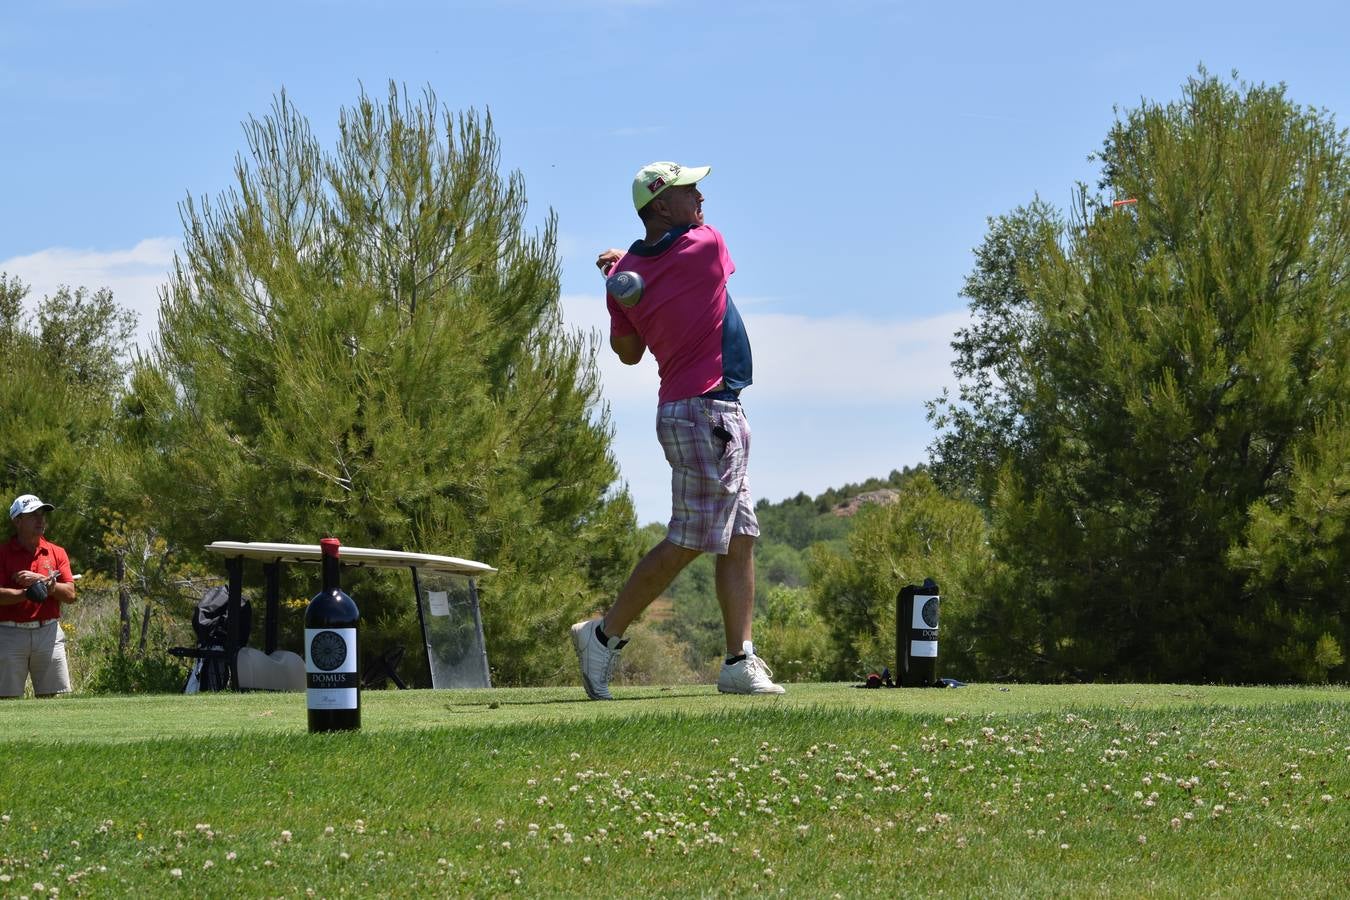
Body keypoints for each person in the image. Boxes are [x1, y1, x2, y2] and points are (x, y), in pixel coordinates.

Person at [571, 161, 784, 699]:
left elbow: (627, 352)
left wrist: (627, 281)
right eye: (690, 190)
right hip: (706, 413)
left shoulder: (624, 281)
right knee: (691, 538)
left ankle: (739, 660)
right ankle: (602, 635)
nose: (701, 197)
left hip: (705, 409)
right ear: (662, 206)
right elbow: (678, 258)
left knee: (739, 538)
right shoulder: (705, 246)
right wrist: (633, 270)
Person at [1, 494, 77, 698]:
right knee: (6, 700)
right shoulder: (3, 553)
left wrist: (44, 583)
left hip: (48, 633)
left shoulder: (56, 552)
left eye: (42, 514)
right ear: (17, 521)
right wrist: (26, 594)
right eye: (32, 515)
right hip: (9, 634)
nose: (40, 520)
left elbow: (70, 594)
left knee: (52, 700)